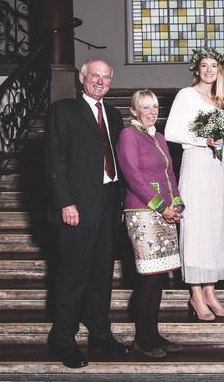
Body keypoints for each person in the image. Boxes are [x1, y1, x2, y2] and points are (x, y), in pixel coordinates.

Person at [44, 59, 131, 369]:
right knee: (72, 275)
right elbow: (54, 160)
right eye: (95, 75)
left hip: (109, 205)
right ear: (82, 78)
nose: (100, 81)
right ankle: (64, 339)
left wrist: (121, 205)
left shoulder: (114, 115)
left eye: (106, 77)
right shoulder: (64, 110)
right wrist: (65, 202)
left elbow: (119, 163)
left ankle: (100, 334)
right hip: (77, 209)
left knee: (101, 275)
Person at [165, 47, 224, 321]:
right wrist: (202, 140)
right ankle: (195, 293)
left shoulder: (219, 99)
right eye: (204, 65)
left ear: (219, 71)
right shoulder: (186, 95)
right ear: (197, 69)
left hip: (217, 167)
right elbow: (171, 132)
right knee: (197, 228)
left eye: (213, 66)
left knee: (215, 228)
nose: (208, 70)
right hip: (195, 164)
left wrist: (220, 145)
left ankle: (210, 291)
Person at [116, 90, 185, 358]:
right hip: (143, 212)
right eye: (145, 107)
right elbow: (133, 176)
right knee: (147, 277)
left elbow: (169, 172)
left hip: (165, 213)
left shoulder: (157, 136)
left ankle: (153, 334)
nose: (151, 111)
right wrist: (162, 207)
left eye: (154, 106)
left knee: (158, 277)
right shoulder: (128, 135)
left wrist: (177, 203)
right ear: (134, 111)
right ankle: (142, 339)